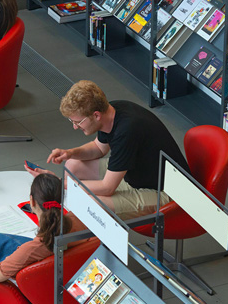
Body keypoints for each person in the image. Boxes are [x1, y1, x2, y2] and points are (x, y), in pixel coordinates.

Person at [26, 80, 189, 220]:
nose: (75, 127)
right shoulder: (113, 110)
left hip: (163, 191)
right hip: (134, 174)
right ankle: (66, 214)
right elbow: (98, 148)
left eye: (78, 121)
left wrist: (59, 184)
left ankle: (79, 233)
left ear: (96, 115)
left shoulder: (127, 131)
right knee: (73, 164)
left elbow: (107, 188)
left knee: (91, 204)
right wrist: (70, 153)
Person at [0, 173, 86, 304]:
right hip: (72, 279)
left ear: (32, 201)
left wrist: (8, 260)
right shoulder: (82, 221)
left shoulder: (35, 247)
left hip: (38, 286)